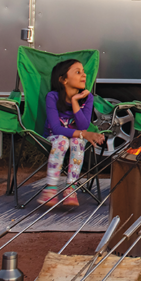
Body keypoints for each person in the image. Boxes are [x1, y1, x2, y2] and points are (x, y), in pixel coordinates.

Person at [40, 59, 105, 207]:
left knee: (76, 141)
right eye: (77, 72)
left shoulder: (87, 98)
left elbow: (83, 125)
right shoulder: (53, 97)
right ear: (63, 80)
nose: (84, 75)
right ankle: (50, 188)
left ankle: (71, 189)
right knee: (63, 140)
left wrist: (76, 101)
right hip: (53, 138)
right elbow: (56, 129)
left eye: (83, 72)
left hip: (75, 139)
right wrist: (83, 134)